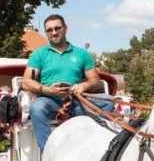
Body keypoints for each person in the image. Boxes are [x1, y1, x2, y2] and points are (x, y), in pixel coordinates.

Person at [21, 14, 114, 151]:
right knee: (37, 108)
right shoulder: (38, 54)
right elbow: (26, 82)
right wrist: (47, 90)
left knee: (108, 102)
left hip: (76, 101)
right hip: (49, 100)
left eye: (57, 28)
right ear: (46, 33)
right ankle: (48, 154)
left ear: (65, 29)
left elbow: (97, 82)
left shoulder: (82, 54)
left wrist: (83, 85)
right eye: (49, 30)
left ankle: (94, 146)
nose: (54, 32)